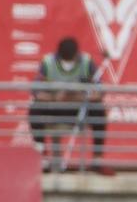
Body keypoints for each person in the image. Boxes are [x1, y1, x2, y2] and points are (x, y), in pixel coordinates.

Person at [29, 37, 108, 174]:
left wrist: (78, 96)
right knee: (35, 110)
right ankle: (42, 158)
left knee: (99, 111)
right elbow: (36, 92)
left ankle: (97, 160)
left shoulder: (87, 62)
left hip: (78, 107)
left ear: (77, 54)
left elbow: (100, 92)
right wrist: (54, 97)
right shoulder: (48, 63)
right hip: (55, 106)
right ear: (58, 55)